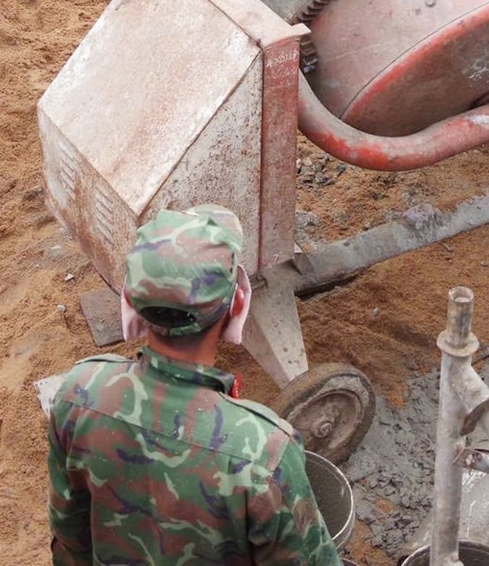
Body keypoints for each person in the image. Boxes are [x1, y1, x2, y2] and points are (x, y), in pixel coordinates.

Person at [47, 204, 339, 566]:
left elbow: (69, 541)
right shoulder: (264, 452)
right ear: (238, 305)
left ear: (129, 303)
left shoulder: (78, 392)